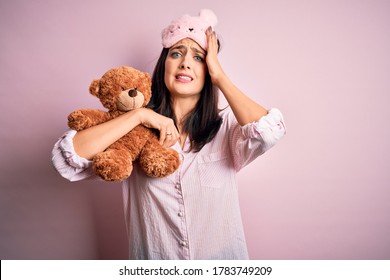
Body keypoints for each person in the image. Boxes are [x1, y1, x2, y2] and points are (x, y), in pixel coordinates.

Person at [52, 9, 286, 260]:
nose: (185, 62)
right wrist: (138, 116)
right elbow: (67, 158)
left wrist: (219, 75)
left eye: (198, 57)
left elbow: (270, 132)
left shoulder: (228, 127)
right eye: (176, 53)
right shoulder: (134, 130)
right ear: (164, 65)